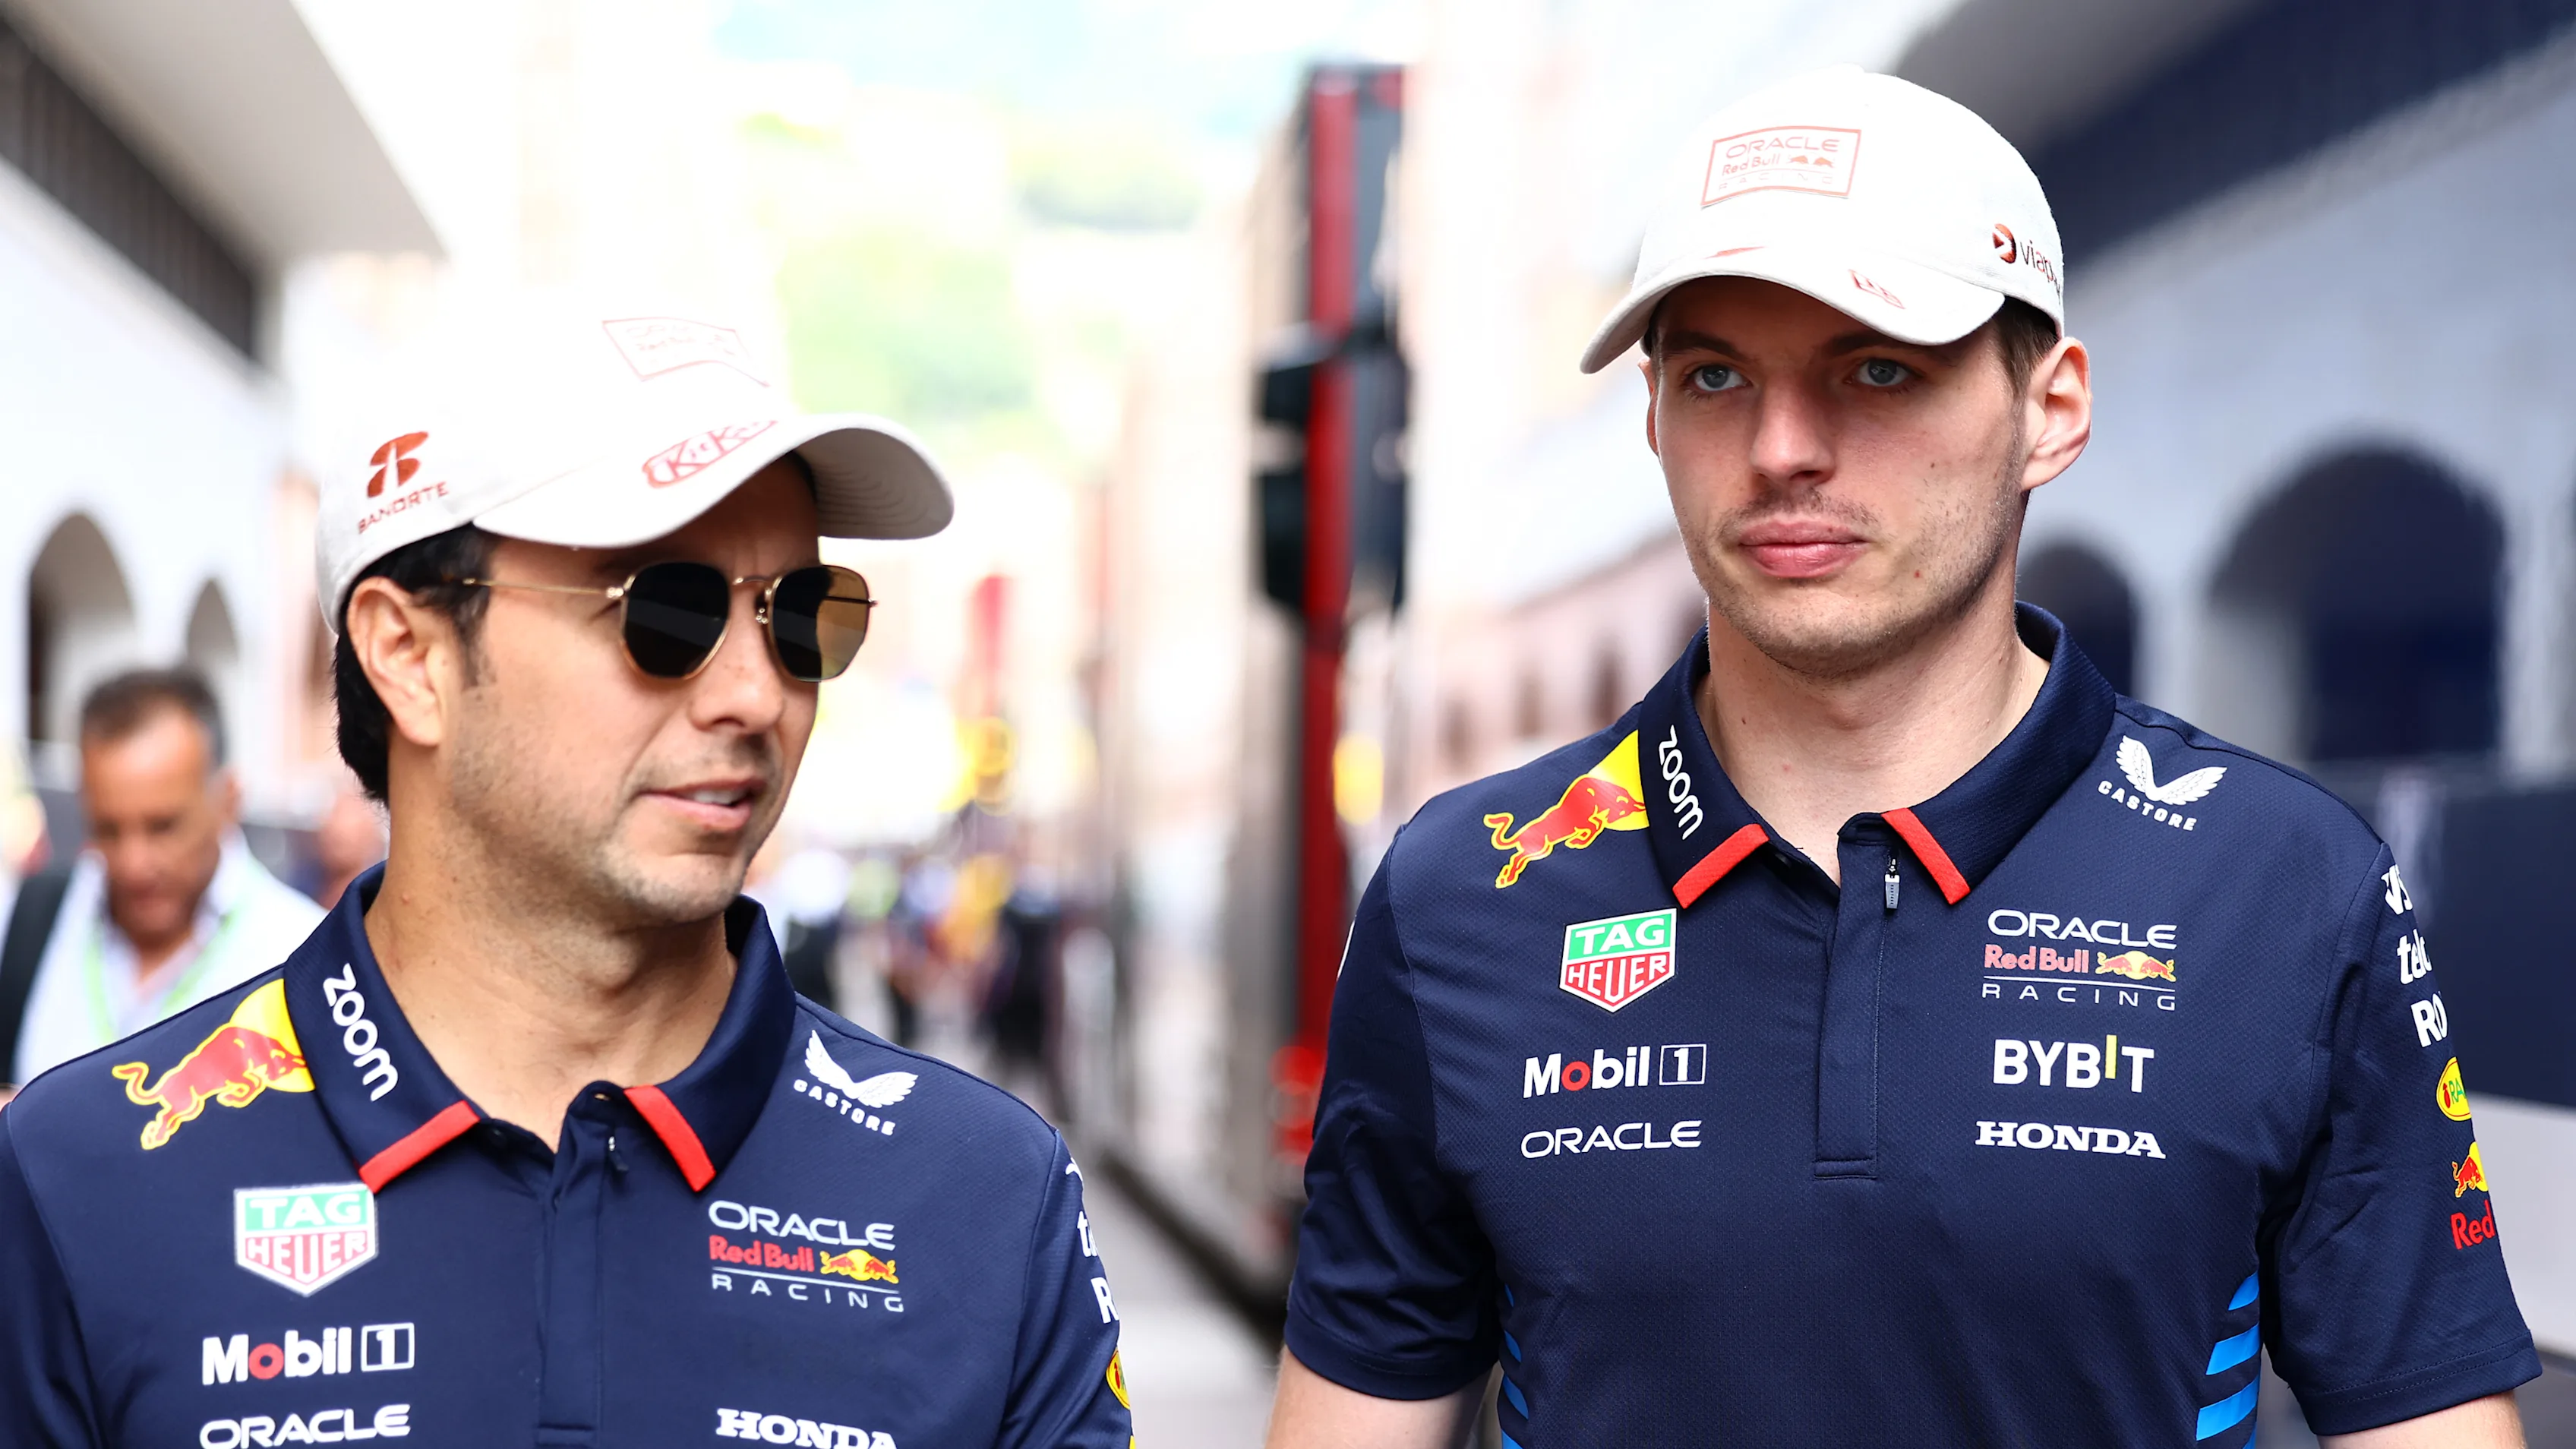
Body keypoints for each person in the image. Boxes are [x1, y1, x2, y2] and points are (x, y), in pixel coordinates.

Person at [1267, 67, 2536, 1448]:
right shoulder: (1465, 891)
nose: (1780, 449)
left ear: (2048, 408)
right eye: (1713, 375)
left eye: (1878, 367)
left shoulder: (2287, 886)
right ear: (1651, 418)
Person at [0, 305, 1133, 1447]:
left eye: (802, 618)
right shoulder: (76, 1186)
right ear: (411, 655)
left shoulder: (984, 1200)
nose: (756, 694)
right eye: (667, 609)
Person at [0, 669, 324, 1093]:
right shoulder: (33, 916)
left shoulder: (302, 953)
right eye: (107, 829)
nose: (134, 864)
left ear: (228, 800)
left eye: (163, 826)